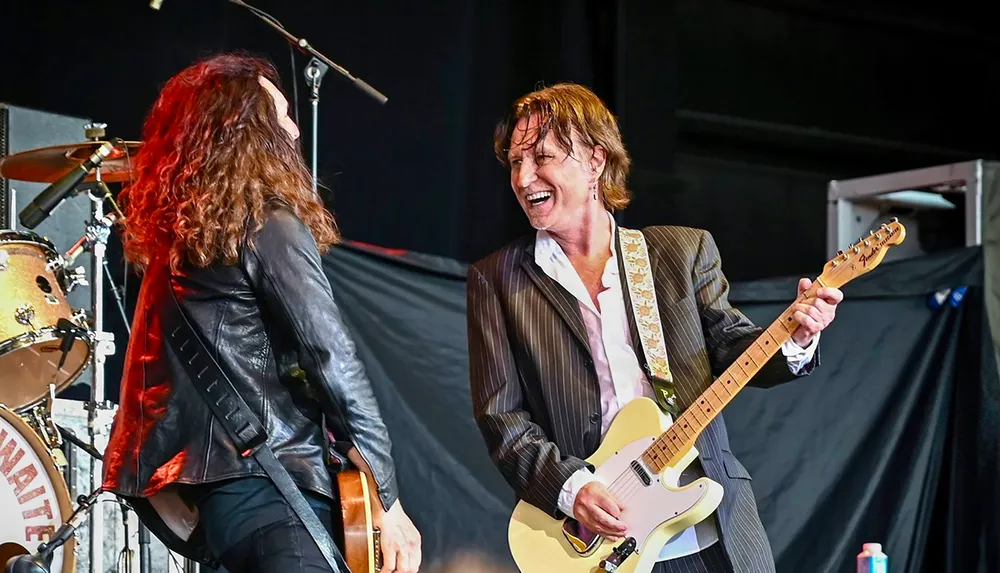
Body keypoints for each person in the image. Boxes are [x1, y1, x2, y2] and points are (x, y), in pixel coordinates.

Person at [467, 82, 843, 573]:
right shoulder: (497, 278)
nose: (524, 177)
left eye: (543, 157)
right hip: (596, 542)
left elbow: (736, 348)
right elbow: (502, 418)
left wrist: (796, 336)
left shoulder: (679, 253)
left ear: (596, 160)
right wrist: (572, 488)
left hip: (710, 528)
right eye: (515, 162)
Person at [101, 53, 421, 573]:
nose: (294, 132)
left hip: (222, 513)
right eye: (282, 116)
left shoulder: (178, 249)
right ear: (247, 131)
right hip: (280, 493)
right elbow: (332, 359)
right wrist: (388, 498)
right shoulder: (268, 225)